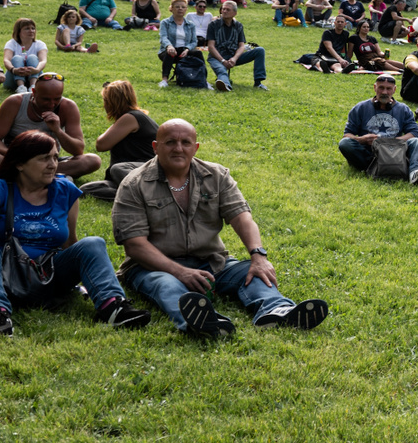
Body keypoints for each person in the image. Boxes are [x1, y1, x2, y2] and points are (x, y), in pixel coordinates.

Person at [113, 119, 329, 338]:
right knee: (166, 285)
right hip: (153, 267)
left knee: (252, 272)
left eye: (185, 142)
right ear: (155, 147)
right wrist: (180, 271)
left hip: (211, 262)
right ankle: (205, 321)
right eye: (170, 142)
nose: (178, 148)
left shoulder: (216, 176)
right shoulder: (134, 184)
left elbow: (242, 219)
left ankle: (277, 310)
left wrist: (258, 255)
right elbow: (135, 245)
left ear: (195, 148)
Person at [0, 129, 148, 337]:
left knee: (92, 243)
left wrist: (83, 279)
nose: (53, 164)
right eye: (44, 158)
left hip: (43, 275)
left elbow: (70, 243)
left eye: (55, 157)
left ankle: (113, 307)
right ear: (19, 164)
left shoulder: (65, 191)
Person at [0, 72, 102, 180]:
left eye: (56, 99)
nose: (52, 104)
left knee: (93, 160)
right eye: (46, 99)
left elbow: (78, 150)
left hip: (48, 161)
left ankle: (20, 175)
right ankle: (47, 177)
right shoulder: (14, 102)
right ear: (33, 92)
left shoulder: (68, 106)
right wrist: (15, 155)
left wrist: (57, 130)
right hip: (16, 160)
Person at [338, 73, 418, 184]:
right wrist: (362, 139)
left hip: (394, 152)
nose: (384, 92)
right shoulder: (360, 108)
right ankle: (374, 166)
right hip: (369, 153)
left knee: (415, 142)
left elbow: (414, 133)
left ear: (394, 90)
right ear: (375, 88)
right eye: (381, 88)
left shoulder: (403, 109)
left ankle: (415, 172)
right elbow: (347, 135)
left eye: (388, 89)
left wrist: (392, 142)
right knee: (345, 143)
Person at [205, 0, 268, 91]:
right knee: (221, 70)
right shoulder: (213, 25)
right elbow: (211, 46)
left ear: (234, 13)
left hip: (233, 56)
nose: (224, 11)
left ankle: (258, 83)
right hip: (216, 57)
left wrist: (234, 58)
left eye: (228, 10)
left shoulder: (238, 26)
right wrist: (223, 61)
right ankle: (225, 85)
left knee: (260, 50)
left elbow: (242, 46)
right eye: (223, 9)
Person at [0, 17, 46, 94]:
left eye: (33, 28)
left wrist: (37, 70)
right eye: (27, 29)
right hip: (13, 79)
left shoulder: (40, 44)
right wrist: (14, 70)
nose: (31, 31)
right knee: (17, 58)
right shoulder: (11, 43)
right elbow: (6, 60)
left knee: (32, 57)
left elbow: (43, 60)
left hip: (35, 75)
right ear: (18, 31)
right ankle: (21, 87)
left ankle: (33, 86)